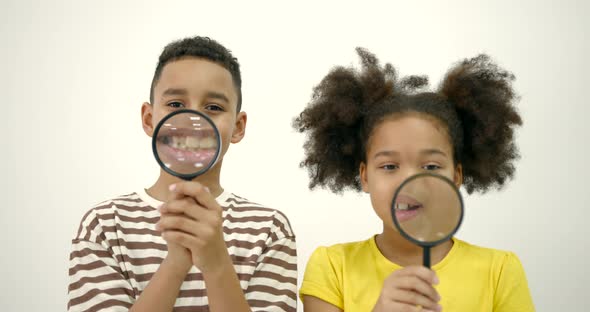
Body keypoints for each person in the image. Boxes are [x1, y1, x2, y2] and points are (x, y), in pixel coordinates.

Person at [294, 48, 534, 311]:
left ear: (456, 177)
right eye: (389, 166)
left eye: (430, 166)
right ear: (364, 177)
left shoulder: (499, 271)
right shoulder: (331, 266)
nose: (410, 180)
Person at [68, 36, 297, 312]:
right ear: (149, 119)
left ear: (238, 127)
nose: (191, 119)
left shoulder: (269, 229)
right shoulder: (104, 226)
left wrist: (216, 263)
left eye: (213, 107)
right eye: (176, 104)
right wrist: (175, 263)